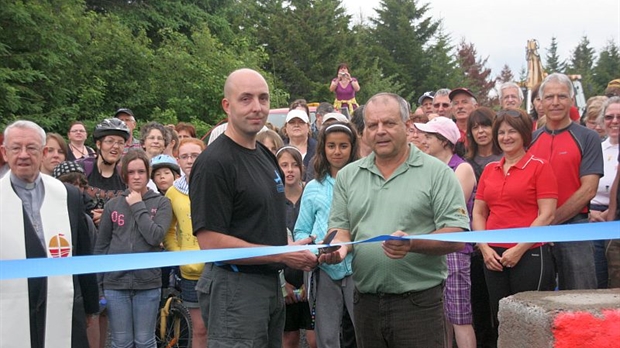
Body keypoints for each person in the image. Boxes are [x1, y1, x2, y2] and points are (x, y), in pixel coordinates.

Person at [319, 93, 470, 348]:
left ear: (407, 125)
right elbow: (341, 229)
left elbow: (456, 234)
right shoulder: (348, 176)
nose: (380, 131)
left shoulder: (437, 173)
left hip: (418, 305)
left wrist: (413, 244)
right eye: (372, 125)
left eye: (388, 123)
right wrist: (339, 249)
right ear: (363, 131)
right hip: (365, 302)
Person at [189, 68, 318, 347]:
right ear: (227, 105)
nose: (256, 107)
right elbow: (210, 241)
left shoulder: (265, 155)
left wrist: (294, 246)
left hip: (269, 286)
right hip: (235, 289)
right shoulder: (214, 163)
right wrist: (282, 254)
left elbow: (265, 223)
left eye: (263, 98)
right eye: (245, 99)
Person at [0, 120, 98, 348]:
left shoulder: (68, 196)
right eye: (16, 148)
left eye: (31, 148)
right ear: (5, 153)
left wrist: (91, 307)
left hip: (62, 306)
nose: (23, 155)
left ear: (43, 153)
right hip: (9, 309)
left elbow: (82, 255)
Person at [472, 108, 557, 333]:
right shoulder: (490, 169)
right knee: (502, 321)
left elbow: (547, 214)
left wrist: (519, 249)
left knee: (529, 321)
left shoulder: (540, 166)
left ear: (523, 134)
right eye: (501, 132)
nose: (506, 137)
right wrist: (484, 248)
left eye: (512, 132)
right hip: (493, 256)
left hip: (529, 253)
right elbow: (479, 212)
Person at [528, 73, 604, 290]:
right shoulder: (530, 140)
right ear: (540, 102)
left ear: (571, 99)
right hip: (536, 230)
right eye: (549, 97)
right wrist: (541, 224)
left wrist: (551, 219)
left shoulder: (588, 137)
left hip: (575, 228)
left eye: (561, 96)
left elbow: (588, 190)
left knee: (581, 299)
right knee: (538, 300)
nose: (555, 102)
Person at [94, 148, 172, 348]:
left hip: (148, 283)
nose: (136, 177)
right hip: (115, 284)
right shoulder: (113, 205)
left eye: (141, 172)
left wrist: (138, 206)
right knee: (121, 342)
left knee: (145, 341)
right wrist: (99, 285)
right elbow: (102, 245)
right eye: (131, 172)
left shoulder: (162, 203)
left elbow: (155, 237)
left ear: (148, 173)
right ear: (124, 175)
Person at [294, 122, 359, 348]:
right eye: (331, 146)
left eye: (343, 146)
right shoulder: (313, 187)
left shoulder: (363, 183)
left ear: (352, 148)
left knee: (363, 331)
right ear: (322, 149)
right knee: (327, 336)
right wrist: (315, 251)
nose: (337, 151)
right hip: (324, 270)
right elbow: (301, 230)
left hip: (357, 266)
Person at [416, 116, 477, 348]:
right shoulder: (429, 170)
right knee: (439, 318)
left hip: (454, 250)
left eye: (429, 136)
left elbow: (448, 210)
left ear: (444, 141)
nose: (423, 140)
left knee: (459, 316)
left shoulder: (462, 168)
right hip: (432, 248)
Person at [164, 138, 208, 348]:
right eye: (185, 156)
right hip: (190, 271)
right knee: (199, 329)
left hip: (218, 267)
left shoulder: (217, 184)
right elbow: (168, 230)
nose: (190, 161)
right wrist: (179, 254)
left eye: (195, 156)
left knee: (222, 327)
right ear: (178, 160)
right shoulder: (172, 192)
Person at [276, 146, 317, 348]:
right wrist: (283, 285)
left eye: (294, 165)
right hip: (285, 278)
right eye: (284, 165)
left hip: (311, 276)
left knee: (314, 339)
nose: (289, 170)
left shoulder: (311, 194)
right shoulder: (272, 201)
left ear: (302, 168)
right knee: (289, 338)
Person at [590, 96, 620, 289]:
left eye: (619, 117)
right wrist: (590, 212)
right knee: (598, 279)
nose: (615, 121)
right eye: (609, 117)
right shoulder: (596, 149)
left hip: (615, 217)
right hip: (593, 220)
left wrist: (611, 212)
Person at [79, 118, 129, 224]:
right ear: (98, 144)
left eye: (120, 143)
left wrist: (109, 217)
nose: (115, 146)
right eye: (110, 141)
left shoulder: (126, 177)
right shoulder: (81, 170)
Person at [465, 107, 503, 180]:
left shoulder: (506, 158)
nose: (480, 131)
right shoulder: (467, 161)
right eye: (475, 128)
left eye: (485, 126)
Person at [284, 109, 317, 182]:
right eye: (292, 122)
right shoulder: (279, 149)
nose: (296, 125)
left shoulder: (318, 149)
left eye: (301, 122)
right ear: (286, 127)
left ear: (308, 127)